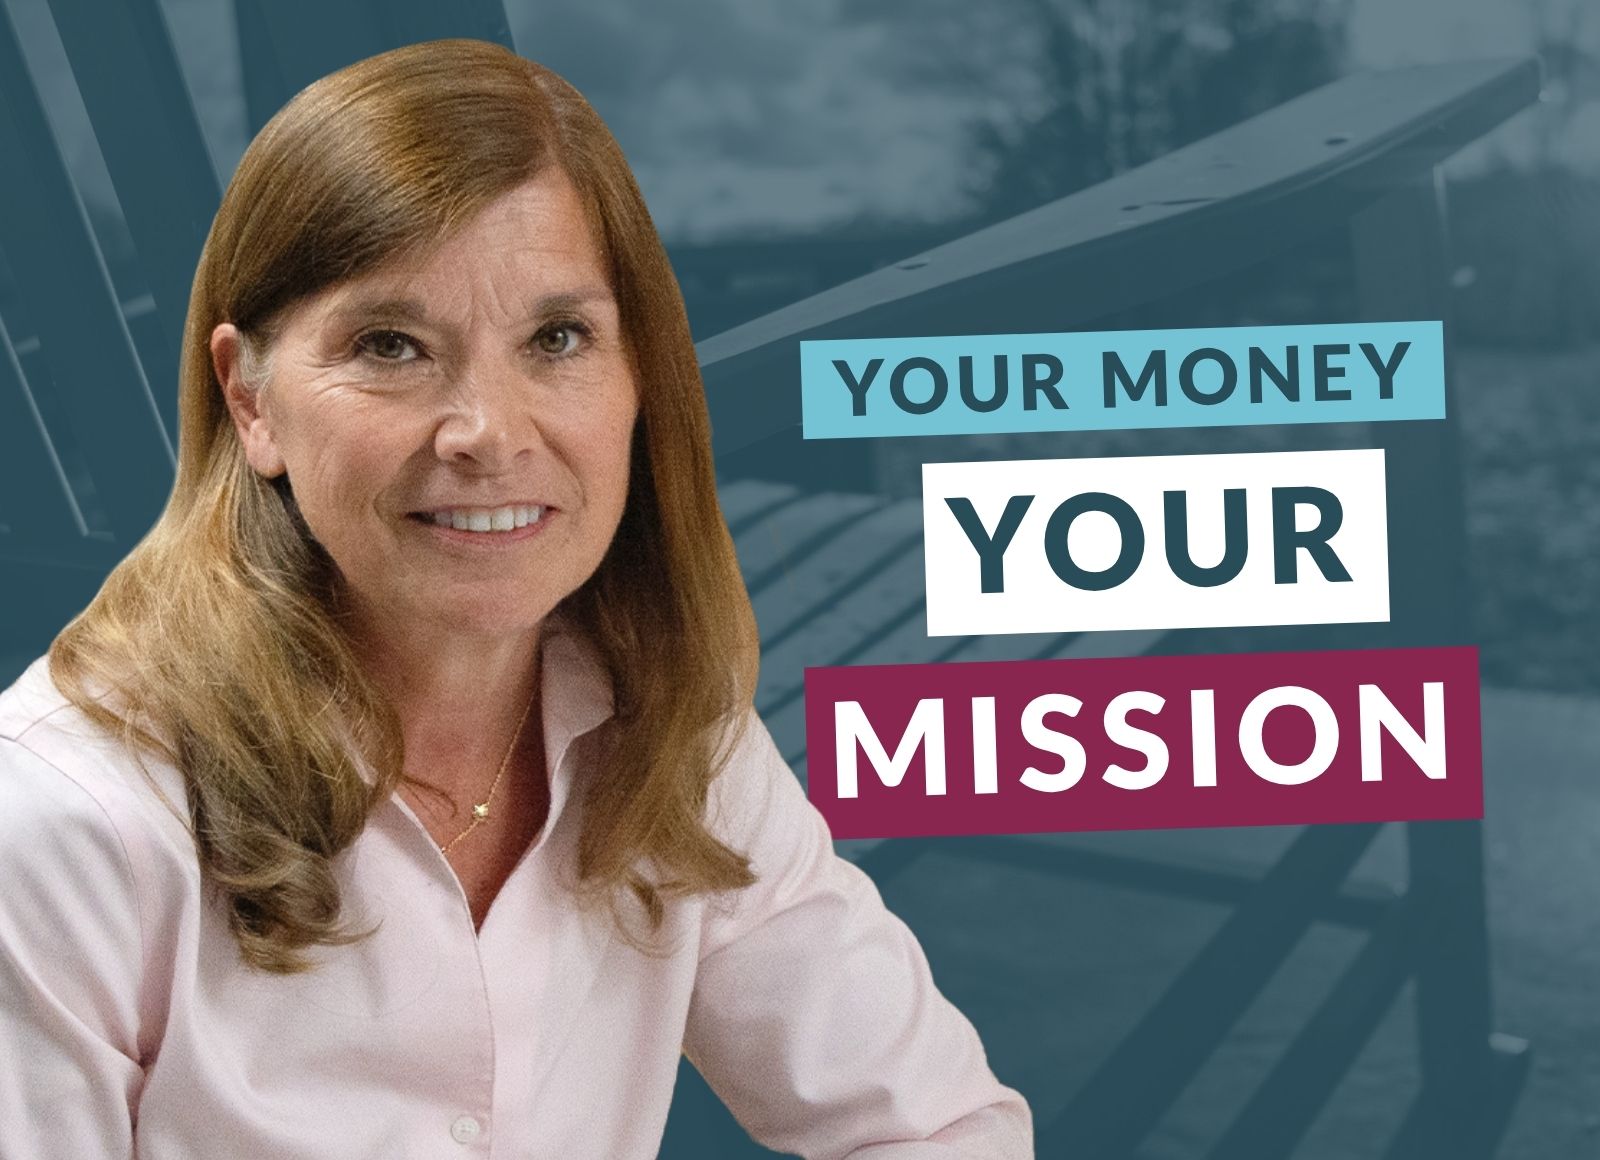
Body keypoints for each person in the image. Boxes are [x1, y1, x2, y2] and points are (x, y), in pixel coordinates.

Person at [0, 38, 1031, 1159]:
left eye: (557, 338)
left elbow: (935, 1125)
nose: (487, 432)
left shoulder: (669, 730)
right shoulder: (62, 824)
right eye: (390, 345)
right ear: (251, 399)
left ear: (640, 377)